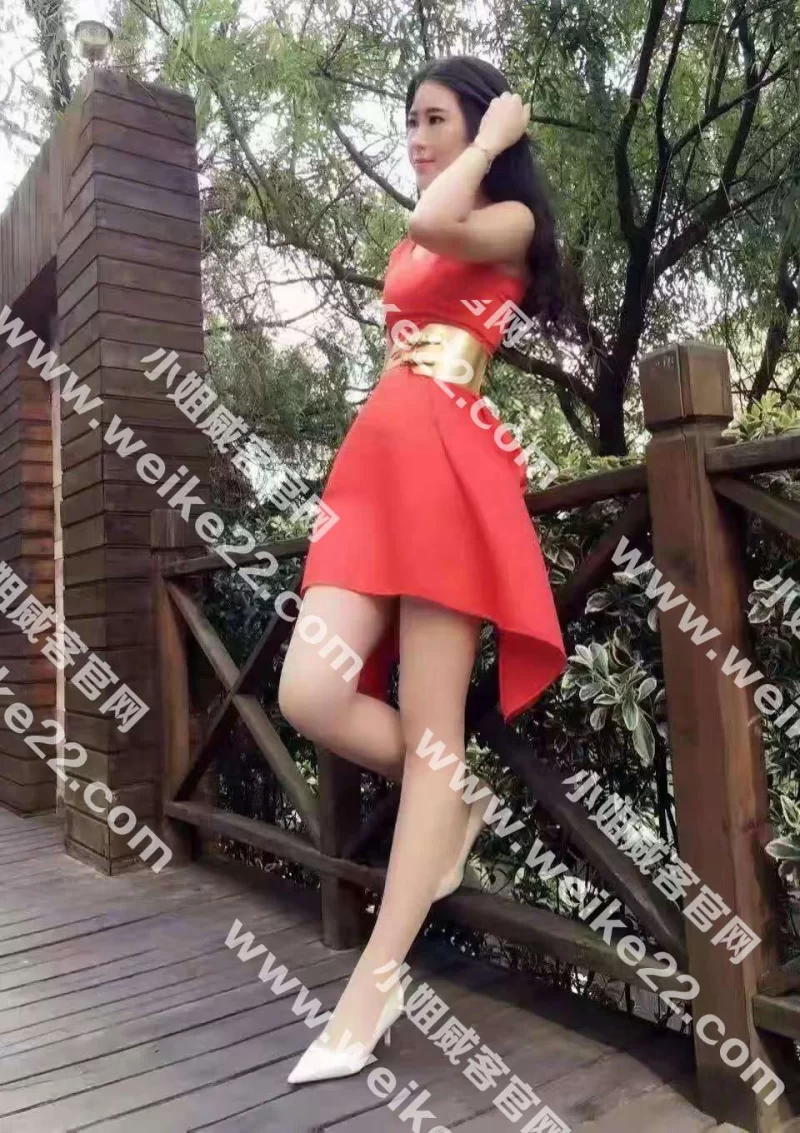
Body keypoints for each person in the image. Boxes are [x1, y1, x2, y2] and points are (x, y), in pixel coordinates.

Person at [278, 54, 568, 1084]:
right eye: (409, 119)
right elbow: (418, 238)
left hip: (451, 461)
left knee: (432, 724)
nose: (415, 135)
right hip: (376, 463)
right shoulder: (430, 218)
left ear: (481, 126)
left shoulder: (507, 221)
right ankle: (452, 798)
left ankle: (374, 982)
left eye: (434, 118)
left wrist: (487, 148)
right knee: (308, 689)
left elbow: (435, 223)